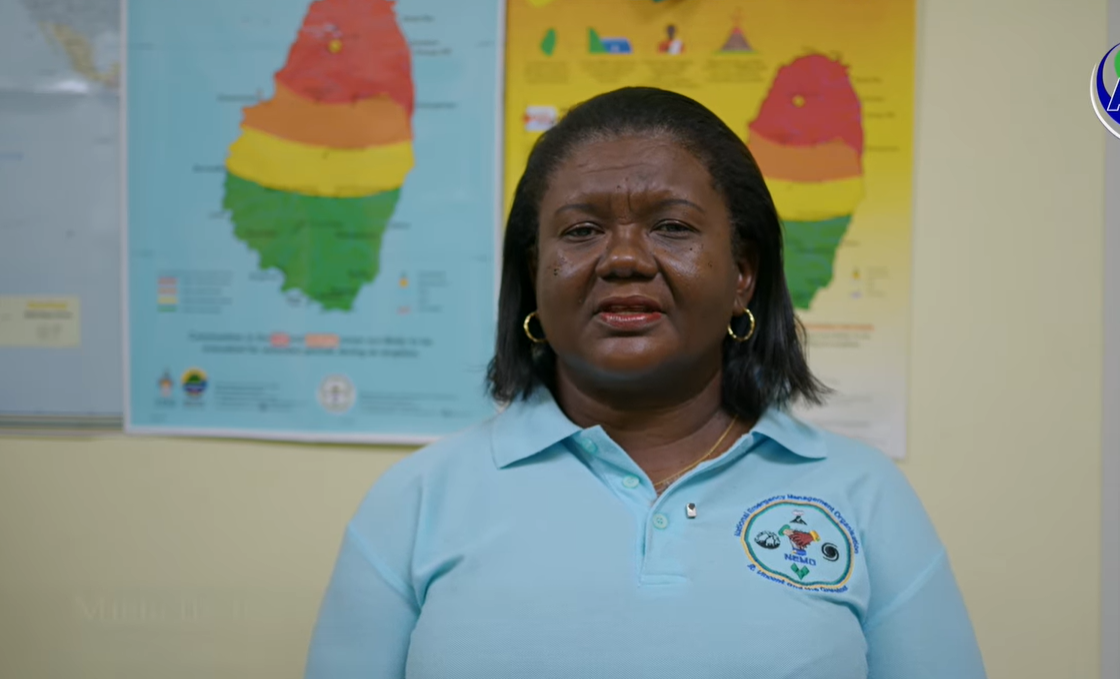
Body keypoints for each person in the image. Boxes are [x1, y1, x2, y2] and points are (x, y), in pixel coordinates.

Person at [304, 87, 987, 679]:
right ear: (534, 275)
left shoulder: (864, 496)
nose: (624, 258)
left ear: (743, 273)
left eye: (671, 226)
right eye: (582, 230)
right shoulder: (417, 501)